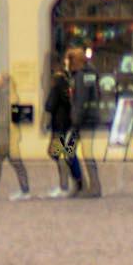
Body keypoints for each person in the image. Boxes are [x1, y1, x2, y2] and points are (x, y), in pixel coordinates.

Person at [48, 59, 95, 198]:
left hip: (64, 125)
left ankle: (71, 184)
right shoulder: (70, 81)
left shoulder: (61, 83)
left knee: (61, 153)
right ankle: (76, 183)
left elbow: (49, 105)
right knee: (66, 153)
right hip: (69, 124)